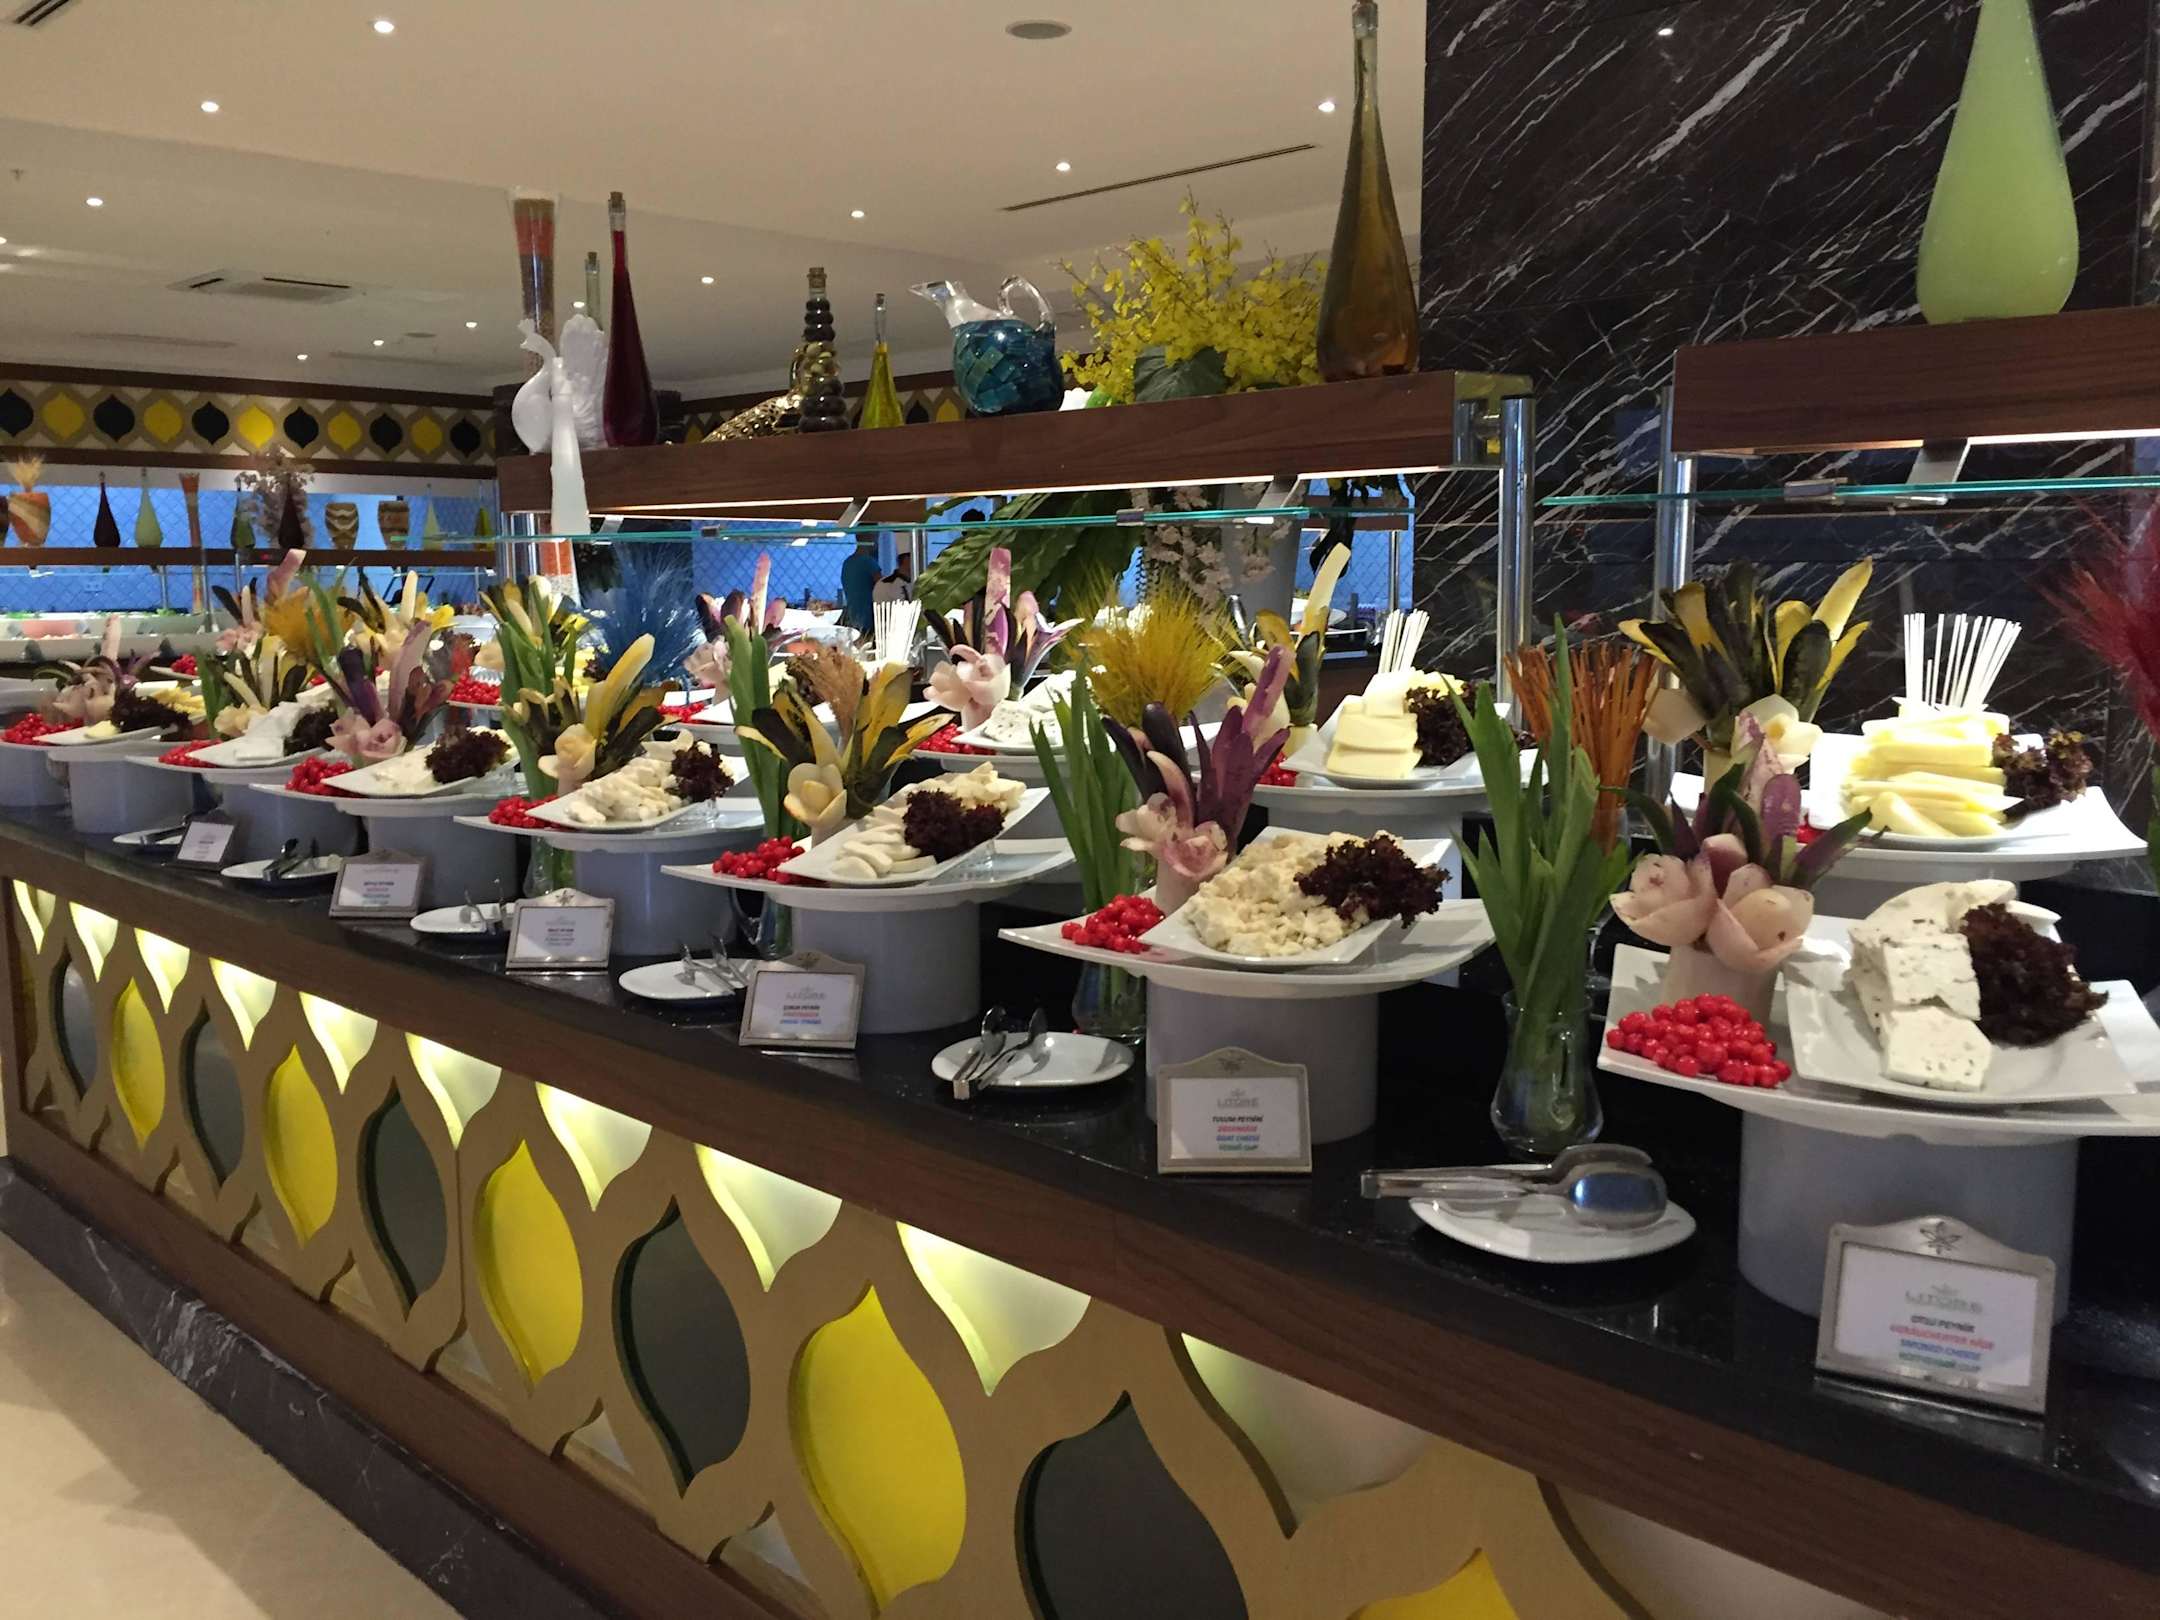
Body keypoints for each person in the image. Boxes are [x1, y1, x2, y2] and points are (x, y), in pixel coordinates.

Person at [839, 536, 880, 631]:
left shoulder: (847, 562)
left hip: (852, 617)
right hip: (868, 619)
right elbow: (883, 586)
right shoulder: (869, 562)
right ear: (870, 539)